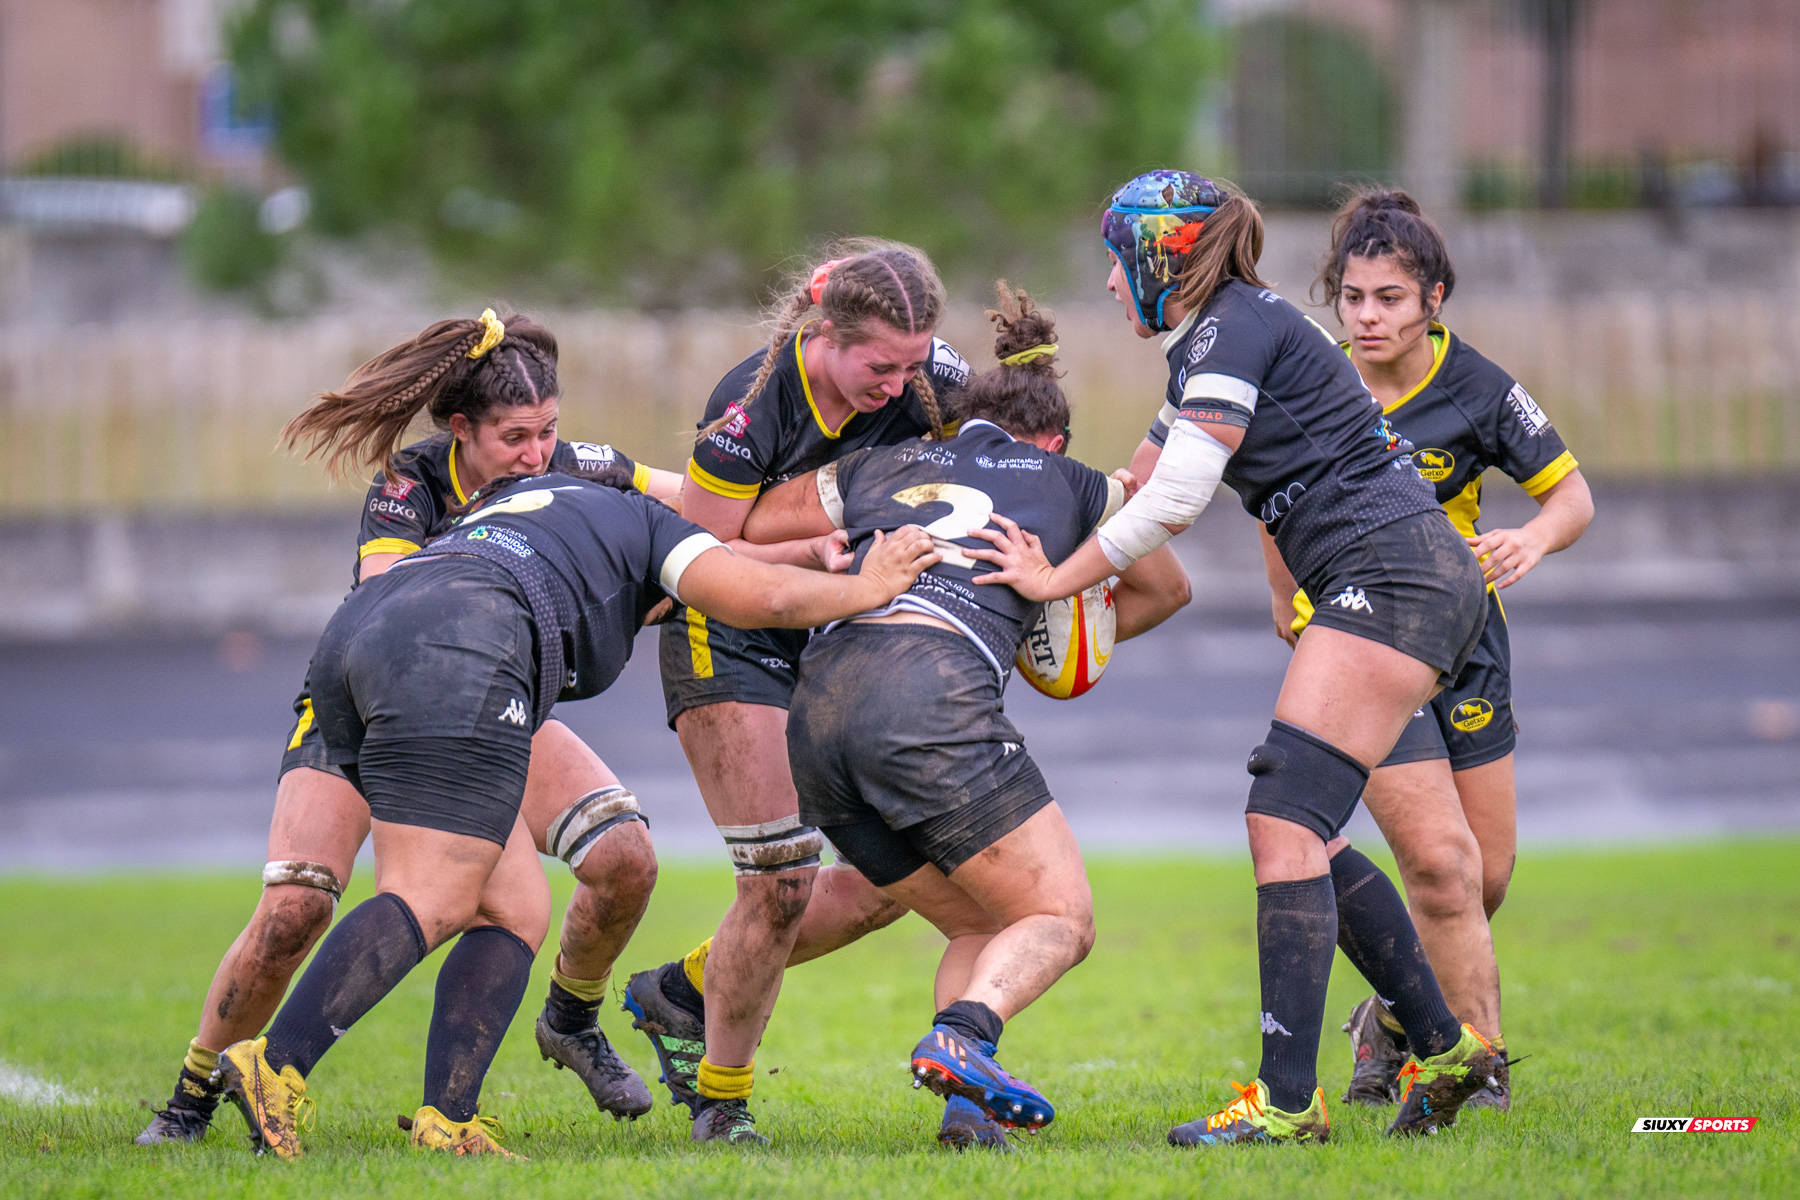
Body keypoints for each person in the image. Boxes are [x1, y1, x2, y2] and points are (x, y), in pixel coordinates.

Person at [968, 171, 1506, 1145]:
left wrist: (1051, 584)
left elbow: (1172, 500)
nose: (1105, 284)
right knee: (1303, 828)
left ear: (1158, 257)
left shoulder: (1231, 329)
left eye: (1113, 261)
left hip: (1389, 576)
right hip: (1401, 576)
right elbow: (1137, 475)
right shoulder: (1222, 340)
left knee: (1282, 822)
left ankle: (1289, 1103)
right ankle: (1451, 1047)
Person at [212, 463, 940, 1160]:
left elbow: (732, 556)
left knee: (514, 910)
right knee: (432, 894)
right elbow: (759, 596)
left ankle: (447, 1119)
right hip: (464, 646)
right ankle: (277, 1062)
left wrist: (805, 547)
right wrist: (871, 585)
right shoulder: (646, 520)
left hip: (356, 636)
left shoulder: (522, 511)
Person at [135, 310, 686, 1145]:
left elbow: (700, 502)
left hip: (492, 702)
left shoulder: (567, 467)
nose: (536, 455)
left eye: (548, 433)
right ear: (461, 430)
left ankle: (562, 1027)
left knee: (620, 855)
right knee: (294, 910)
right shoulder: (409, 483)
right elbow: (390, 597)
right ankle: (193, 1095)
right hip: (377, 695)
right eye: (513, 438)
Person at [744, 286, 1191, 1148]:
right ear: (1053, 438)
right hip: (930, 697)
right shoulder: (1077, 482)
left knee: (982, 920)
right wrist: (1050, 613)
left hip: (822, 710)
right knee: (1061, 919)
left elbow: (746, 521)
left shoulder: (881, 465)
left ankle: (966, 1116)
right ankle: (965, 1038)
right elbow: (1167, 589)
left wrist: (826, 551)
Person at [623, 241, 975, 1145]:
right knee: (781, 879)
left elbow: (991, 456)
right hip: (725, 631)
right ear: (824, 333)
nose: (899, 385)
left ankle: (687, 989)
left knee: (906, 872)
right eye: (879, 365)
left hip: (835, 623)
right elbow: (695, 560)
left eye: (913, 362)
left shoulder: (933, 377)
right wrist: (811, 553)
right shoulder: (747, 409)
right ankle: (723, 1104)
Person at [1280, 189, 1591, 1109]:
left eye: (1388, 299)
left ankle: (1389, 1020)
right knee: (1440, 868)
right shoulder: (1313, 385)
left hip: (1465, 635)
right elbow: (1270, 499)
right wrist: (1285, 599)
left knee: (1484, 877)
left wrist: (1531, 541)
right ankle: (1477, 1072)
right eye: (1353, 296)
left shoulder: (1480, 389)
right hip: (1363, 636)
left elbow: (1571, 497)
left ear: (1434, 301)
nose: (1366, 316)